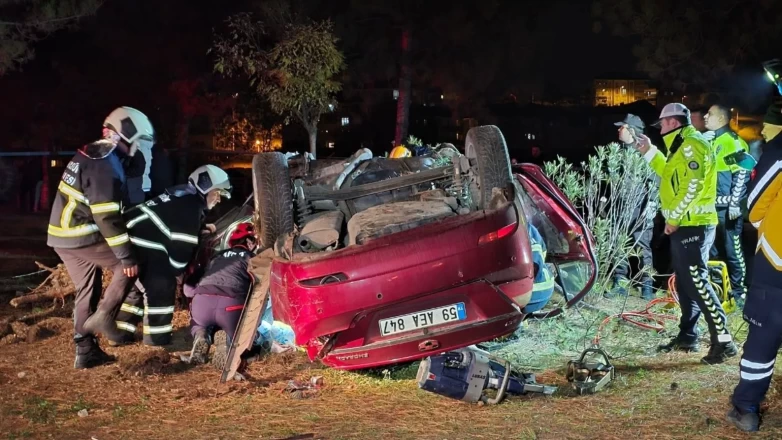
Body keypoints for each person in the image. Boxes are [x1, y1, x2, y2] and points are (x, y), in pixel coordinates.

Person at [47, 107, 154, 369]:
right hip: (80, 234)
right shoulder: (106, 164)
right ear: (126, 134)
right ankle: (106, 316)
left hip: (61, 235)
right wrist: (126, 255)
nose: (139, 148)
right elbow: (107, 217)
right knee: (128, 266)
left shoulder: (95, 153)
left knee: (88, 290)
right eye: (138, 142)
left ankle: (85, 351)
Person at [635, 103, 737, 364]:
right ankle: (688, 335)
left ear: (672, 123)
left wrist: (674, 219)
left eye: (663, 125)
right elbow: (670, 174)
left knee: (698, 283)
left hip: (694, 225)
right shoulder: (681, 145)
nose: (661, 130)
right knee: (685, 283)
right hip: (686, 224)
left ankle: (723, 341)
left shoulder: (692, 144)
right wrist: (648, 152)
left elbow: (692, 185)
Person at [112, 164, 231, 346]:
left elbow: (172, 219)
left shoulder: (184, 195)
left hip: (131, 241)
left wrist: (199, 229)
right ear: (206, 188)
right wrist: (178, 272)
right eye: (217, 193)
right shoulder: (190, 207)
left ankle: (119, 333)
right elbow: (179, 254)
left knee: (137, 289)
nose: (218, 199)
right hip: (145, 244)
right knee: (161, 286)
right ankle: (156, 339)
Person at [726, 103, 782, 432]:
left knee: (762, 338)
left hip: (776, 262)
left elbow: (756, 203)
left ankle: (746, 407)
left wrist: (768, 226)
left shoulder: (777, 151)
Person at [181, 222, 258, 364]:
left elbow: (188, 288)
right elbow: (259, 287)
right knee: (243, 336)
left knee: (199, 324)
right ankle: (228, 341)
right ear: (249, 241)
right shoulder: (252, 258)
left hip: (202, 304)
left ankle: (201, 336)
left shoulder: (216, 257)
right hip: (230, 306)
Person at [704, 104, 750, 304]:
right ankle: (718, 288)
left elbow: (742, 173)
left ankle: (739, 292)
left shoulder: (733, 142)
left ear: (722, 118)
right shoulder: (711, 141)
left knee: (733, 250)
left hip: (727, 209)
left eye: (710, 114)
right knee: (712, 250)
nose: (705, 117)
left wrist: (735, 203)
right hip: (710, 208)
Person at [609, 114, 657, 300]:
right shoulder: (620, 152)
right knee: (619, 244)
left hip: (640, 207)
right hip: (621, 208)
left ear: (631, 130)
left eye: (622, 127)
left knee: (643, 246)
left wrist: (651, 206)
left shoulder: (646, 152)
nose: (618, 130)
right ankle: (620, 282)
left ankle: (647, 286)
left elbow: (655, 181)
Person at [524, 222, 555, 313]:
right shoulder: (530, 229)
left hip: (533, 293)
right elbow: (542, 254)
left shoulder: (528, 231)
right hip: (544, 290)